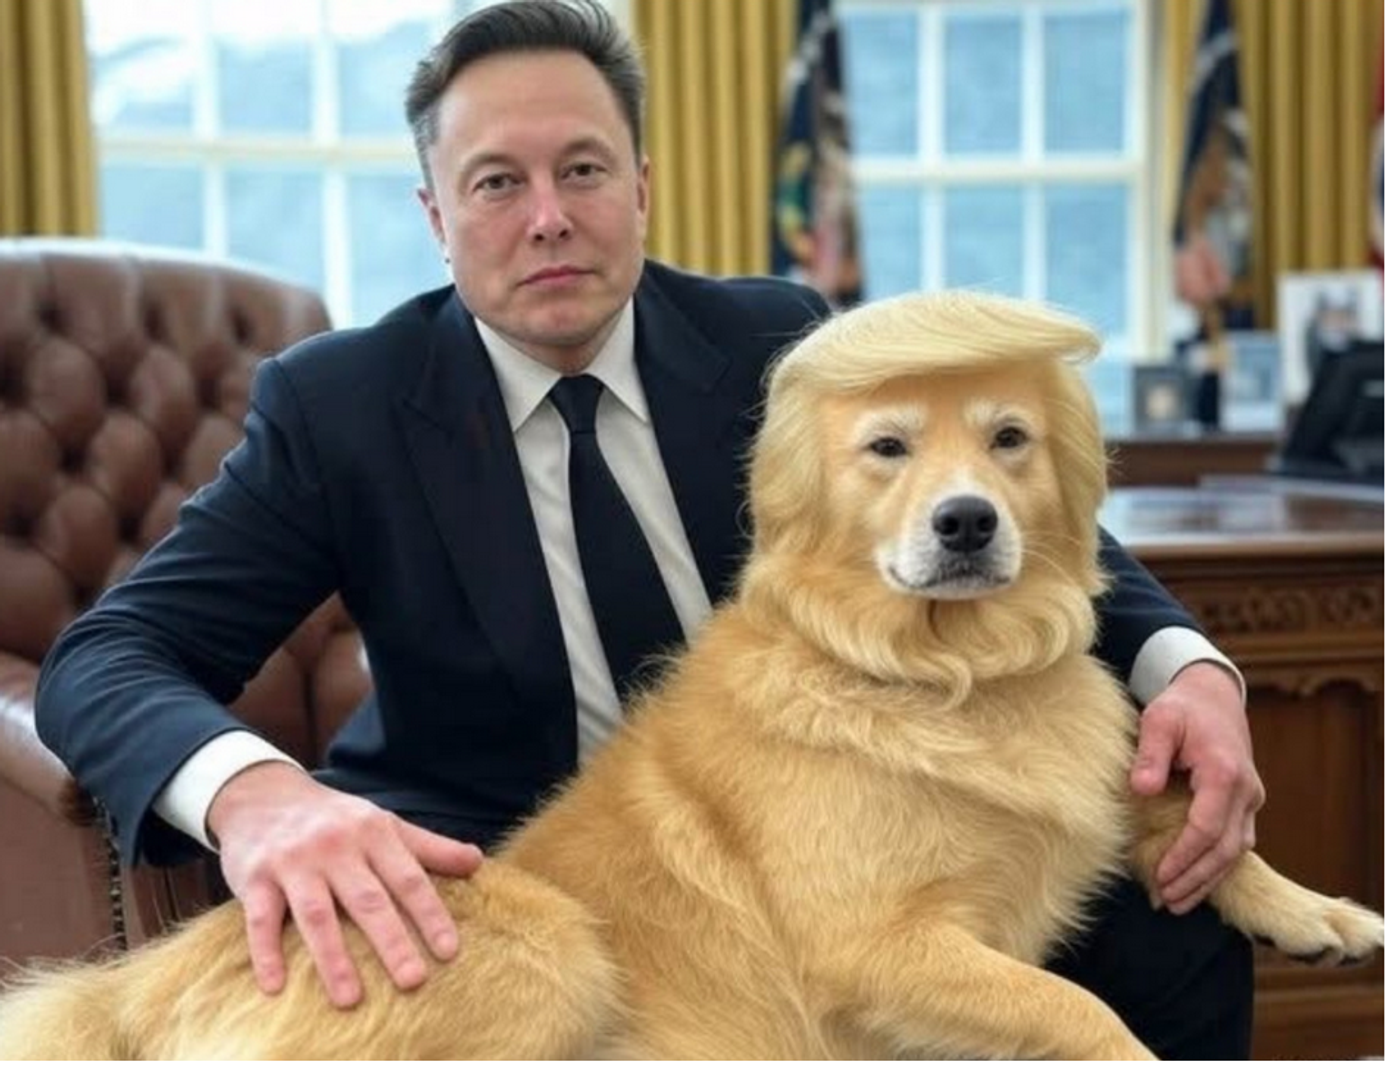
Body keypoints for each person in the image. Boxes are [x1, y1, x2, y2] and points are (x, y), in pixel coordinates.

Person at [35, 0, 1263, 1059]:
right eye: (496, 183)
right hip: (511, 889)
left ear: (641, 187)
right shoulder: (341, 406)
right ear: (435, 216)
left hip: (814, 859)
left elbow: (1004, 523)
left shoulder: (775, 342)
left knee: (1176, 926)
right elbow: (109, 657)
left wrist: (1187, 667)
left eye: (582, 170)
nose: (549, 218)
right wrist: (260, 797)